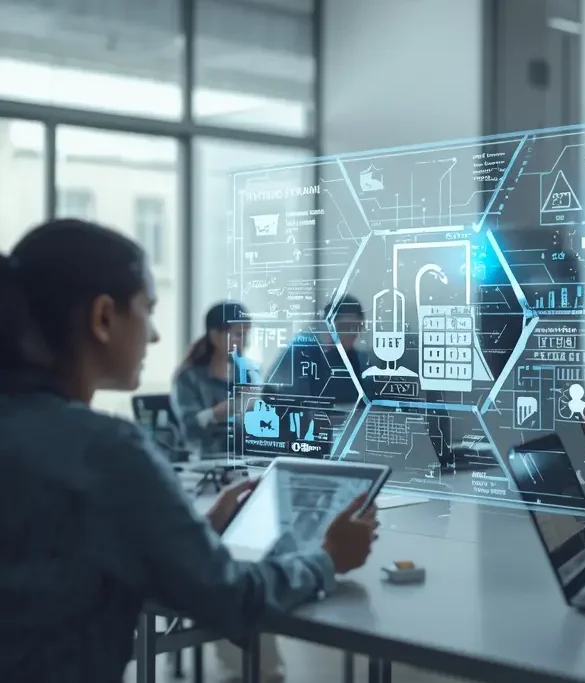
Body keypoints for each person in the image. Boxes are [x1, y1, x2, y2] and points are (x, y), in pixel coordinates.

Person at [0, 219, 379, 683]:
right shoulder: (107, 452)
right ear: (103, 317)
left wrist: (192, 531)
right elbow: (233, 598)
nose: (155, 335)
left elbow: (61, 568)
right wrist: (328, 557)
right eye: (148, 310)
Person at [172, 301, 260, 458]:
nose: (245, 342)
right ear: (214, 335)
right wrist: (214, 414)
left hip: (242, 457)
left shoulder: (245, 373)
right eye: (238, 335)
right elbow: (189, 425)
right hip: (203, 459)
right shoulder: (188, 377)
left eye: (246, 335)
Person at [264, 296, 366, 405]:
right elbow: (270, 394)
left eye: (355, 328)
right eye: (344, 327)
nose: (350, 334)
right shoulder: (299, 352)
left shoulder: (356, 361)